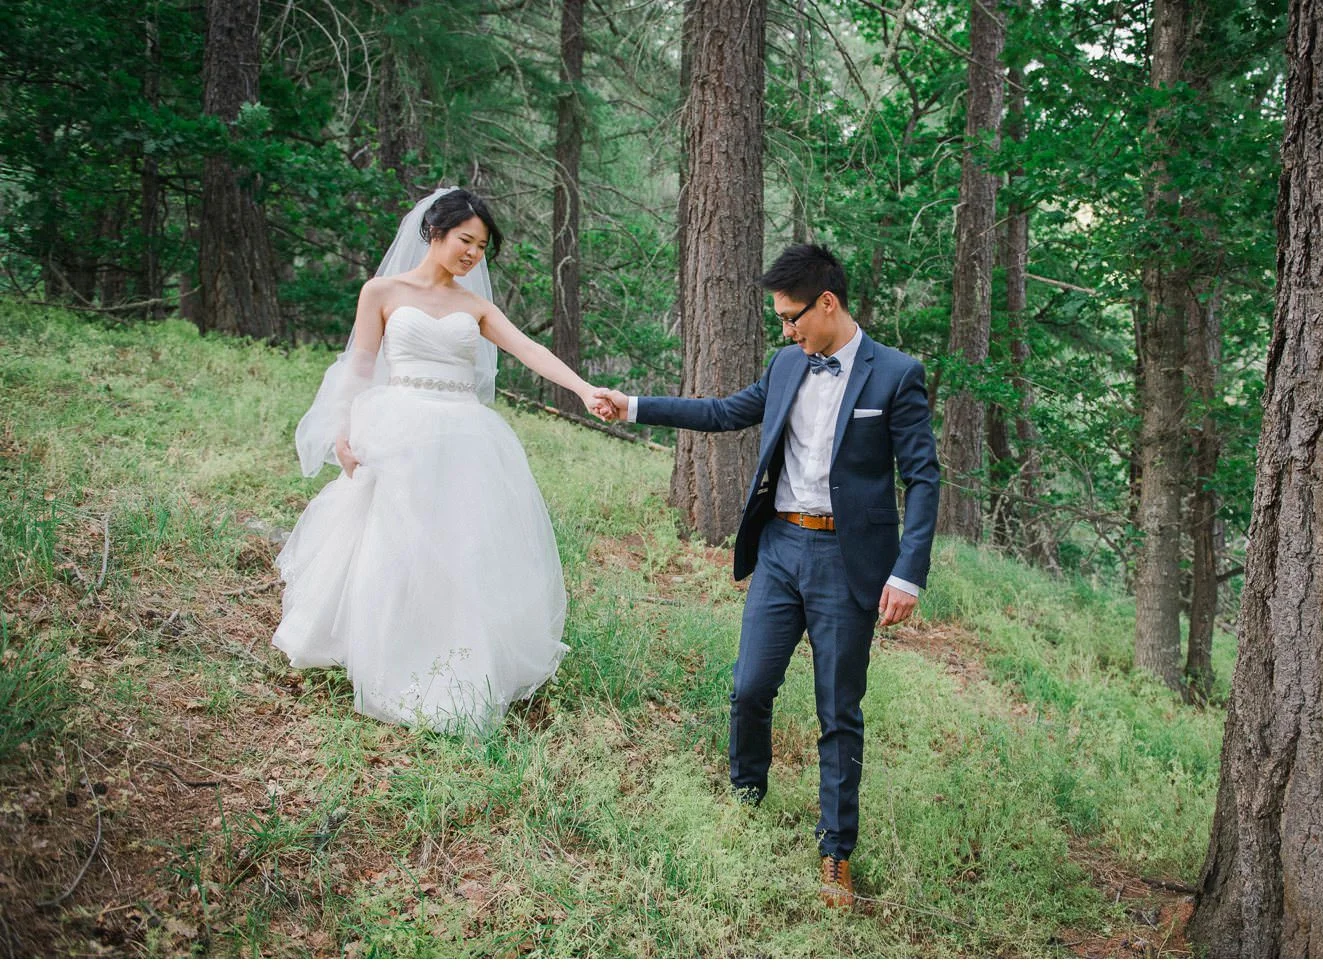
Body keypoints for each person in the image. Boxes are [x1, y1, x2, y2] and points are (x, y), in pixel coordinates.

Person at [595, 243, 940, 909]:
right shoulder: (787, 364)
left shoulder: (896, 375)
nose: (786, 332)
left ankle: (836, 851)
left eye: (791, 318)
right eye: (781, 322)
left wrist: (909, 574)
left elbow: (923, 478)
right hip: (781, 549)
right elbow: (724, 412)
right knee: (750, 687)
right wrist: (633, 405)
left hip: (849, 563)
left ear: (828, 303)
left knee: (838, 709)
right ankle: (745, 797)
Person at [273, 188, 611, 734]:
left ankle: (456, 663)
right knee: (393, 542)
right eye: (465, 240)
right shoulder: (381, 291)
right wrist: (342, 427)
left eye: (481, 247)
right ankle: (380, 649)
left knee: (462, 543)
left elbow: (530, 349)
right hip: (398, 427)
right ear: (434, 233)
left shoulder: (475, 307)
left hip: (463, 435)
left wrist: (582, 387)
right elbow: (359, 363)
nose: (473, 254)